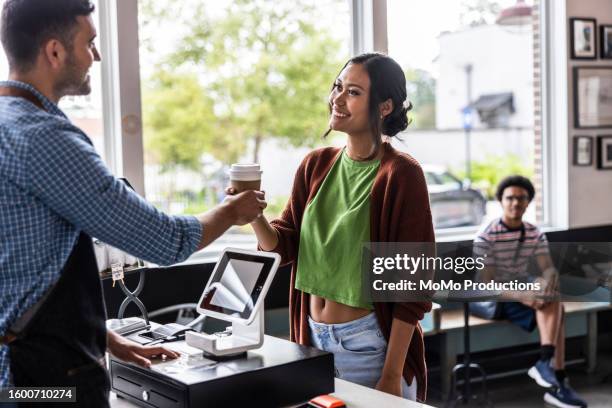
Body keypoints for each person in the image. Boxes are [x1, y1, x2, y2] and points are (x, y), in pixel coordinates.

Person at [0, 0, 265, 405]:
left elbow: (22, 271)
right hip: (48, 383)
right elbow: (164, 239)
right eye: (89, 42)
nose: (97, 55)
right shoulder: (47, 140)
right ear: (55, 52)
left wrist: (107, 340)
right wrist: (232, 212)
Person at [239, 53, 434, 402]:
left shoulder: (402, 174)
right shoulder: (316, 165)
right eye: (338, 86)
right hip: (311, 339)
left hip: (372, 348)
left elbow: (411, 288)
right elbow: (283, 246)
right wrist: (253, 214)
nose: (337, 98)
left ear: (384, 106)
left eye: (354, 92)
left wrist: (391, 375)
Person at [473, 175, 587, 408]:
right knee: (557, 309)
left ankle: (546, 365)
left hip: (520, 289)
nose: (516, 203)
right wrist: (524, 296)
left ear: (528, 202)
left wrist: (550, 278)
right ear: (501, 201)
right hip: (493, 299)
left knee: (551, 295)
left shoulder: (534, 232)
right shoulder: (486, 235)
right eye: (510, 198)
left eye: (521, 198)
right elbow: (487, 285)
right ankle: (558, 382)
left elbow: (547, 267)